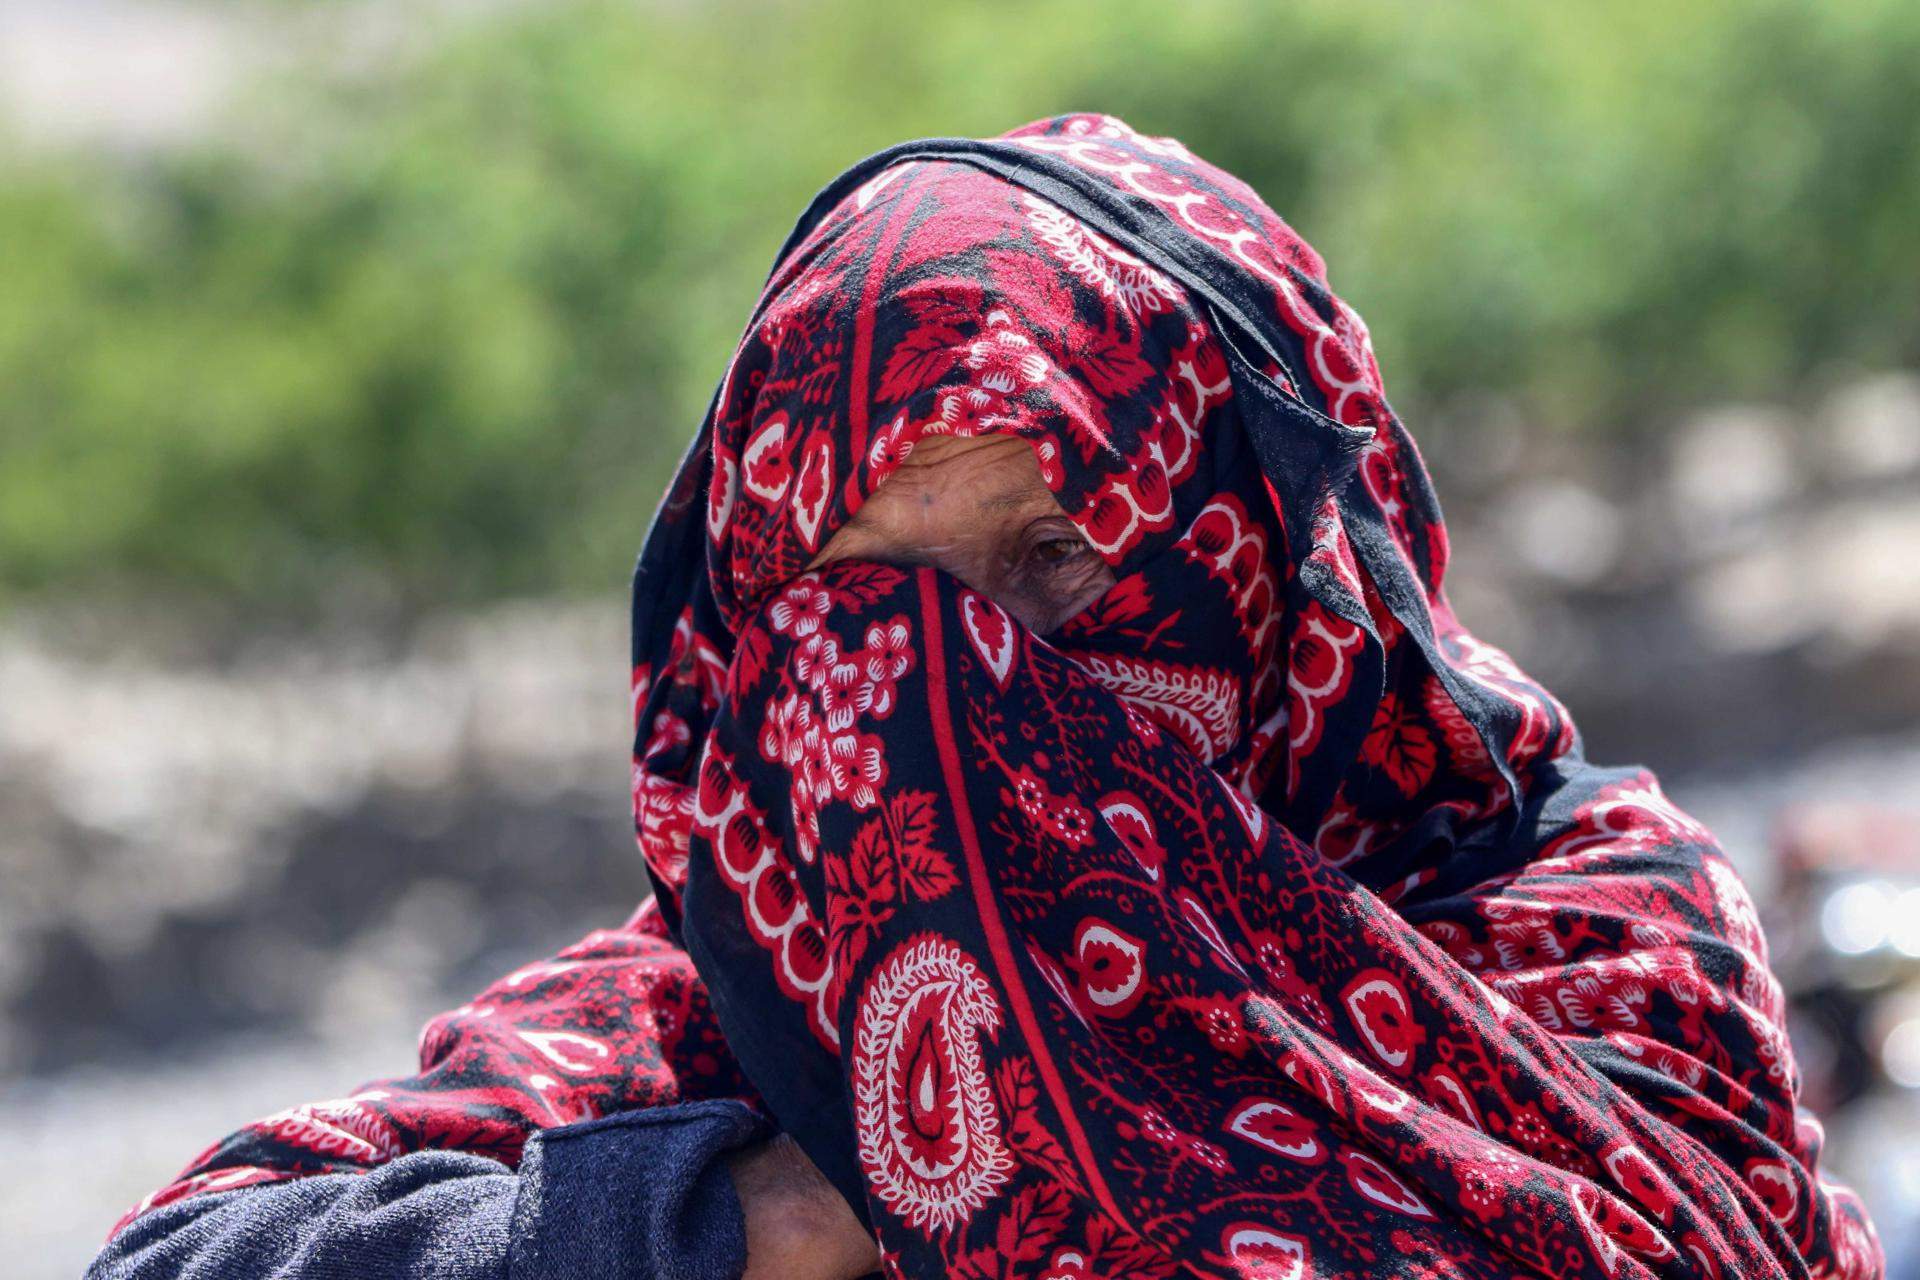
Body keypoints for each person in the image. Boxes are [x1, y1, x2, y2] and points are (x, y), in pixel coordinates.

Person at [89, 114, 1884, 1280]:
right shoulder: (708, 1030)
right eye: (865, 585)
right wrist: (746, 1216)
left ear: (1273, 564)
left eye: (1052, 560)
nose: (960, 672)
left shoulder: (1587, 967)